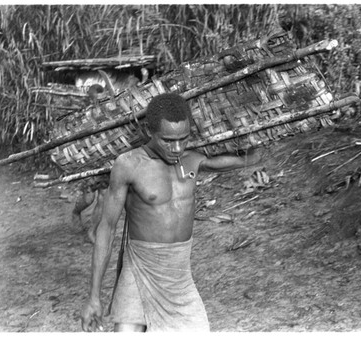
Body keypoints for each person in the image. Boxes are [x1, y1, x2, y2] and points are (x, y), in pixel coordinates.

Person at [80, 93, 261, 332]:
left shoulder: (194, 160)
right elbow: (107, 227)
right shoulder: (129, 164)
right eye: (167, 140)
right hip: (140, 269)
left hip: (179, 275)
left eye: (183, 139)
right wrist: (94, 296)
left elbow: (250, 158)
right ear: (148, 131)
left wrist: (254, 129)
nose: (177, 148)